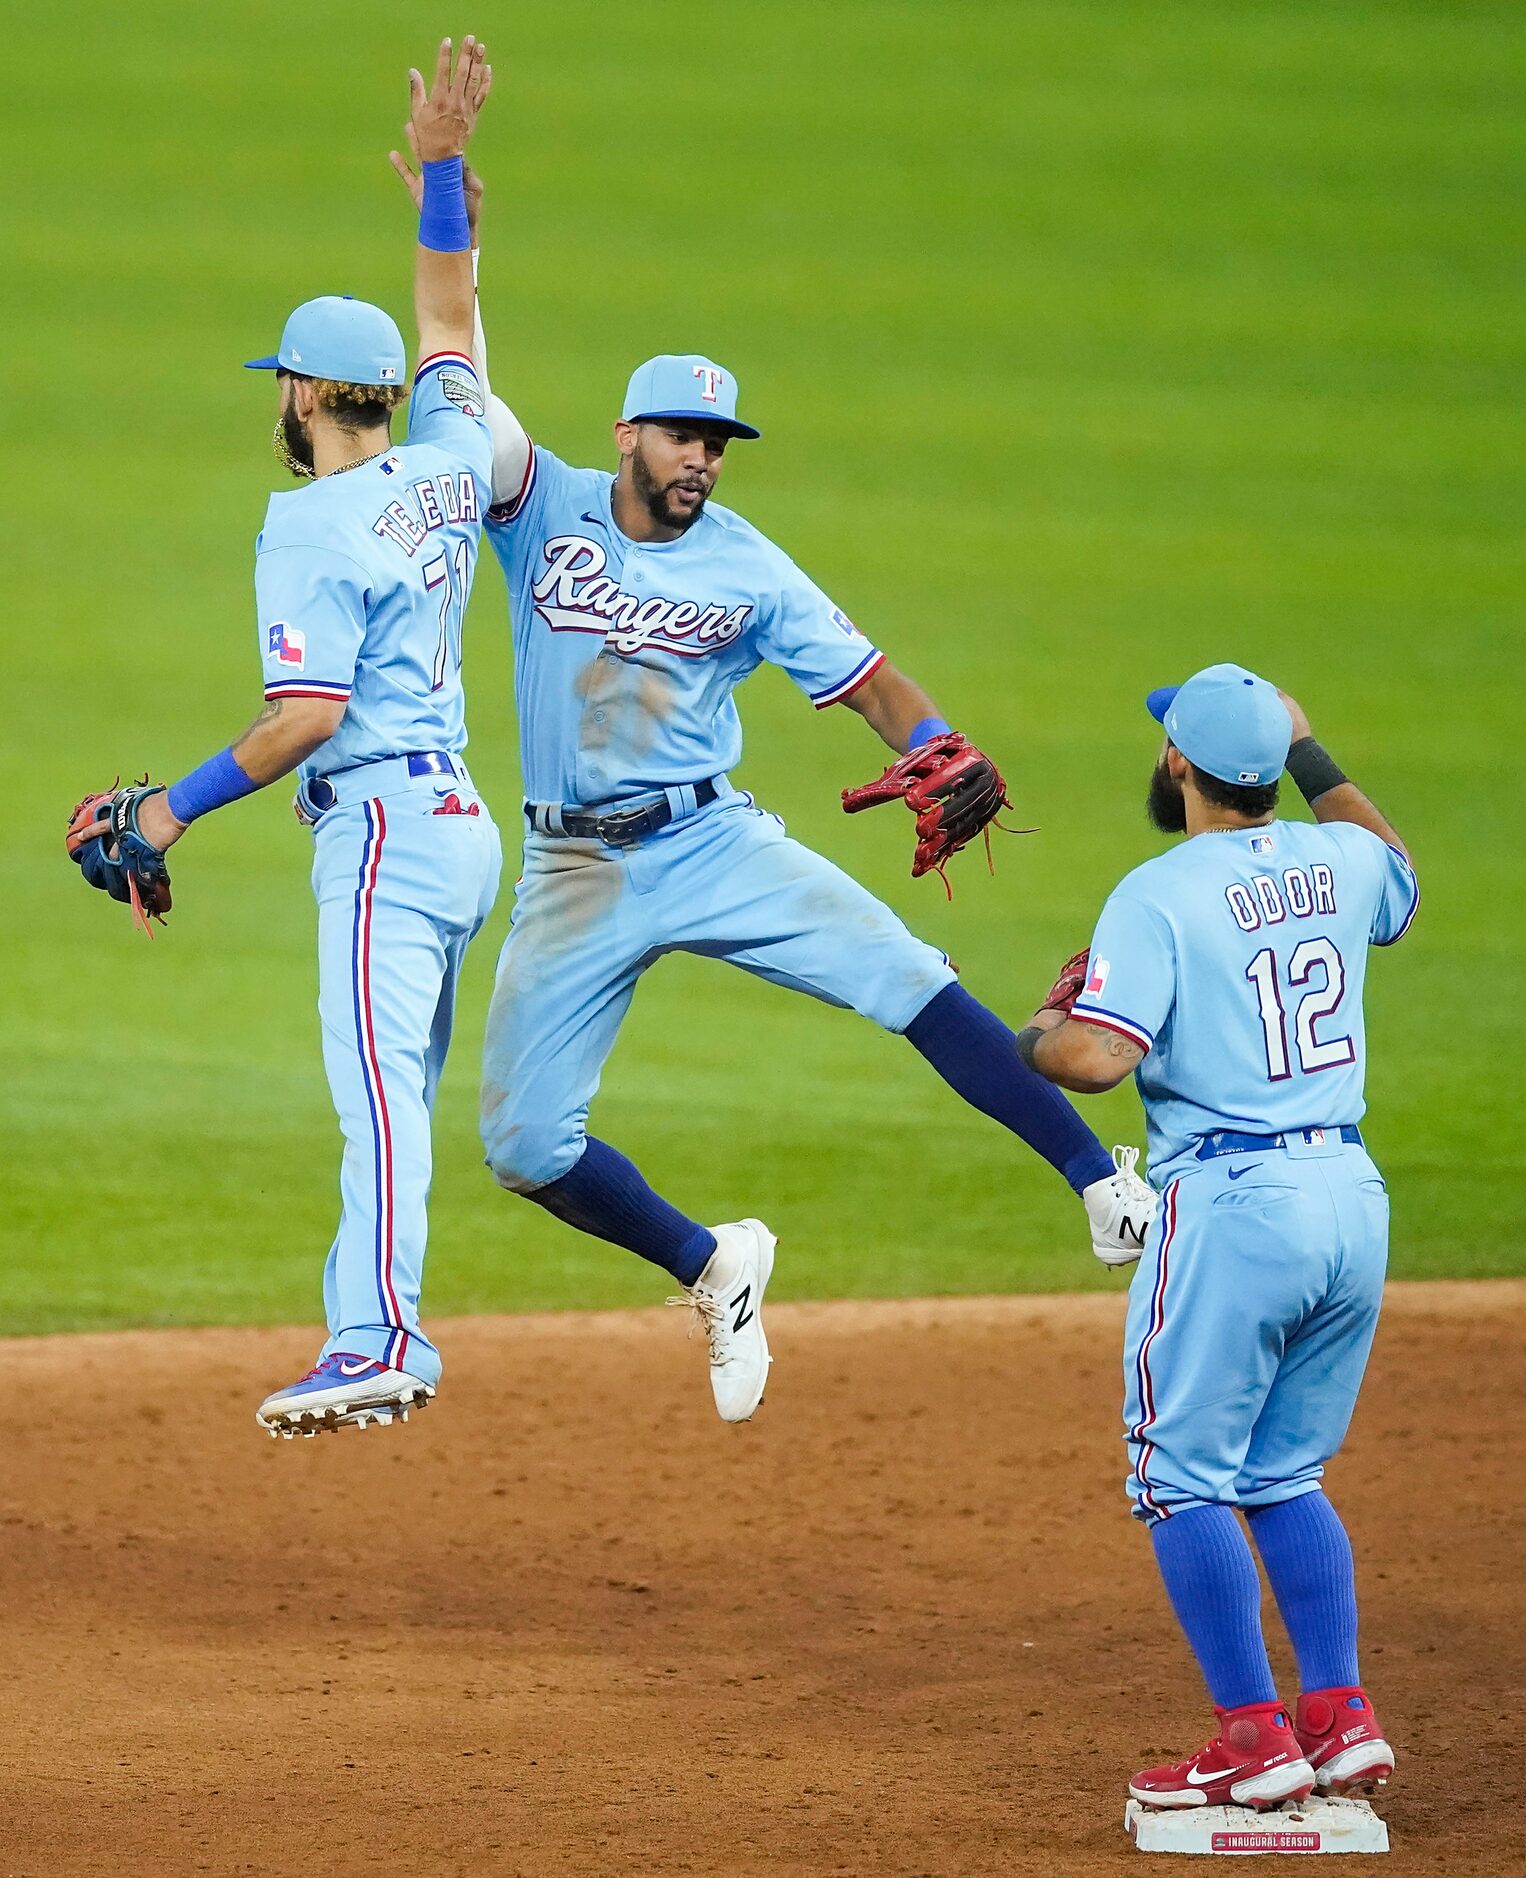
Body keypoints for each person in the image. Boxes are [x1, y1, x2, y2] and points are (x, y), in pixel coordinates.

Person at [385, 150, 1156, 1426]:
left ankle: (1093, 1179)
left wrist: (940, 739)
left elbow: (872, 682)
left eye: (720, 442)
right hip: (572, 870)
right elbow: (453, 345)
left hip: (711, 843)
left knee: (904, 973)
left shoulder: (749, 566)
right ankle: (714, 1265)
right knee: (523, 1151)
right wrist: (447, 188)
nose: (703, 459)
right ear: (627, 432)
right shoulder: (537, 507)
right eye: (683, 435)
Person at [69, 37, 500, 1439]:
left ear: (305, 396)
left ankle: (374, 1337)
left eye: (283, 386)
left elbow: (304, 717)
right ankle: (380, 1330)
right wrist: (439, 177)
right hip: (461, 833)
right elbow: (449, 313)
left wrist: (171, 810)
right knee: (400, 1100)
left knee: (375, 1099)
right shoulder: (445, 461)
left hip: (378, 829)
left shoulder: (306, 524)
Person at [1017, 664, 1416, 1810]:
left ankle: (1251, 1737)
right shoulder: (1339, 859)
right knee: (1283, 1471)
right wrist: (1312, 750)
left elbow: (1096, 1057)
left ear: (1178, 764)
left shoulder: (1156, 892)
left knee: (1177, 1479)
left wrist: (1041, 1025)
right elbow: (1397, 874)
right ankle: (1337, 1717)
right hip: (1349, 1197)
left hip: (1235, 1211)